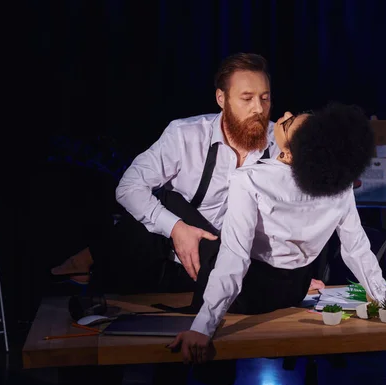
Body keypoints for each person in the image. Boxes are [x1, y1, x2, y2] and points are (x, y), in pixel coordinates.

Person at [167, 103, 386, 364]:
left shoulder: (248, 179)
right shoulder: (340, 188)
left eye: (288, 123)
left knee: (171, 201)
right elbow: (357, 250)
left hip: (247, 297)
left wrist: (202, 328)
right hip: (294, 289)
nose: (284, 115)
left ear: (288, 153)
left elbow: (235, 257)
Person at [50, 52, 290, 293]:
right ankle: (85, 268)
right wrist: (176, 228)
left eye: (265, 98)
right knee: (165, 205)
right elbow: (128, 187)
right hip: (163, 254)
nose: (258, 109)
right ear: (221, 98)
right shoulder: (185, 135)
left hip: (223, 262)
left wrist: (288, 275)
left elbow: (289, 215)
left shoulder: (279, 141)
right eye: (247, 98)